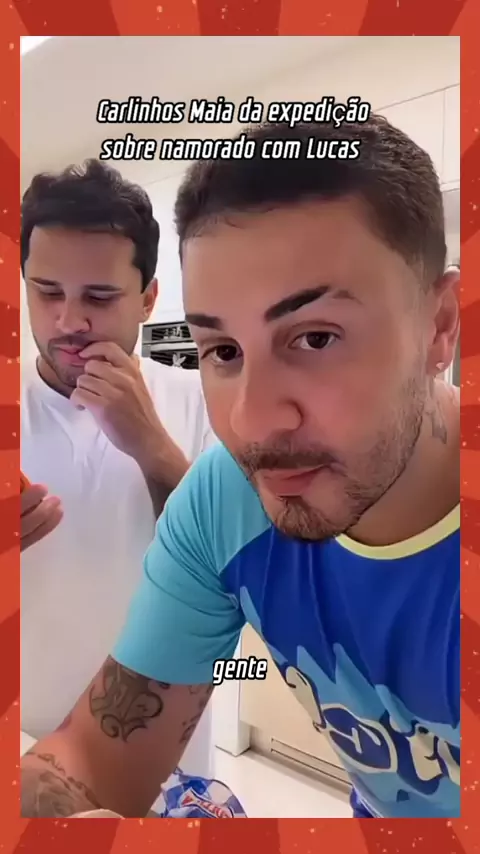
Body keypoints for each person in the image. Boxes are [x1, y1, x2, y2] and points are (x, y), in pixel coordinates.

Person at [20, 116, 460, 820]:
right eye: (222, 351)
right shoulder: (225, 496)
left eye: (315, 338)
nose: (251, 423)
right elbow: (93, 763)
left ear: (440, 326)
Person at [20, 161, 215, 780]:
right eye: (47, 292)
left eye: (99, 297)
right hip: (27, 744)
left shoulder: (208, 400)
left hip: (167, 753)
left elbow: (239, 574)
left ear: (148, 298)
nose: (68, 322)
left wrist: (152, 446)